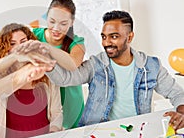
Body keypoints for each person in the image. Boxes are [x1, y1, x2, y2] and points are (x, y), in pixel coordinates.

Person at [45, 10, 184, 130]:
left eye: (114, 36)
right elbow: (65, 79)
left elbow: (177, 93)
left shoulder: (151, 66)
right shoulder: (96, 64)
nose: (106, 42)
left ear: (129, 37)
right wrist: (44, 60)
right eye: (104, 37)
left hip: (136, 131)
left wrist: (182, 113)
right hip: (97, 133)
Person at [0, 23, 63, 138]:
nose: (20, 47)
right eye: (12, 44)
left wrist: (53, 133)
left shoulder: (46, 74)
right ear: (5, 48)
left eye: (23, 41)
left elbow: (56, 112)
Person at [33, 0, 86, 129]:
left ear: (72, 22)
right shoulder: (34, 35)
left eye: (63, 24)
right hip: (44, 101)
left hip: (71, 102)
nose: (56, 28)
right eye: (52, 21)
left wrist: (47, 47)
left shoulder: (77, 43)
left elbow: (73, 64)